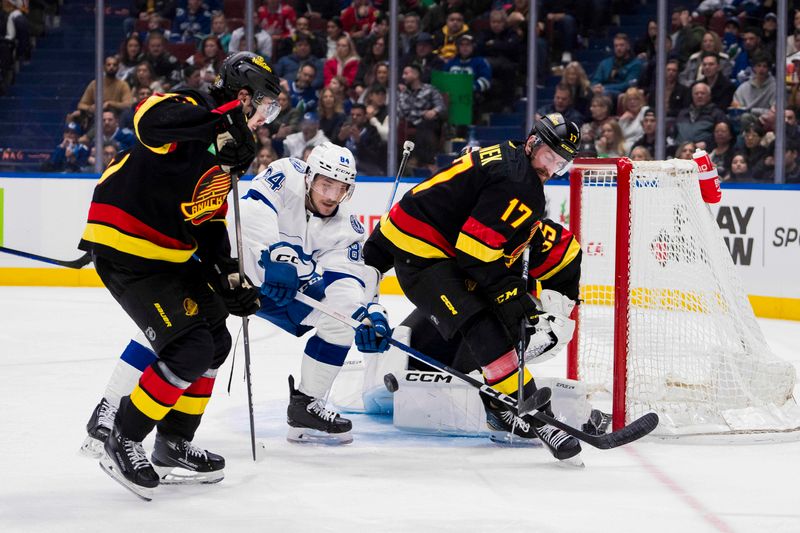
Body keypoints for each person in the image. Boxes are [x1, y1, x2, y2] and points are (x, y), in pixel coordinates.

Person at [78, 52, 282, 500]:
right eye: (264, 105)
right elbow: (149, 122)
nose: (266, 118)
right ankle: (123, 436)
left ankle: (172, 443)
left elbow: (207, 217)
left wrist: (227, 277)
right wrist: (222, 120)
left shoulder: (233, 143)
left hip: (169, 256)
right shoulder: (194, 105)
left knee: (216, 342)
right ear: (243, 95)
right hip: (127, 248)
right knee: (188, 347)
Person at [361, 113, 584, 464]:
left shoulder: (513, 158)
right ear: (532, 143)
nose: (551, 168)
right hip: (422, 255)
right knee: (480, 321)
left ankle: (501, 404)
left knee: (494, 317)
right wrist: (514, 300)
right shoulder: (520, 185)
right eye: (548, 157)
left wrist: (513, 299)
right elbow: (476, 254)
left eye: (560, 163)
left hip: (423, 242)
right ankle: (543, 420)